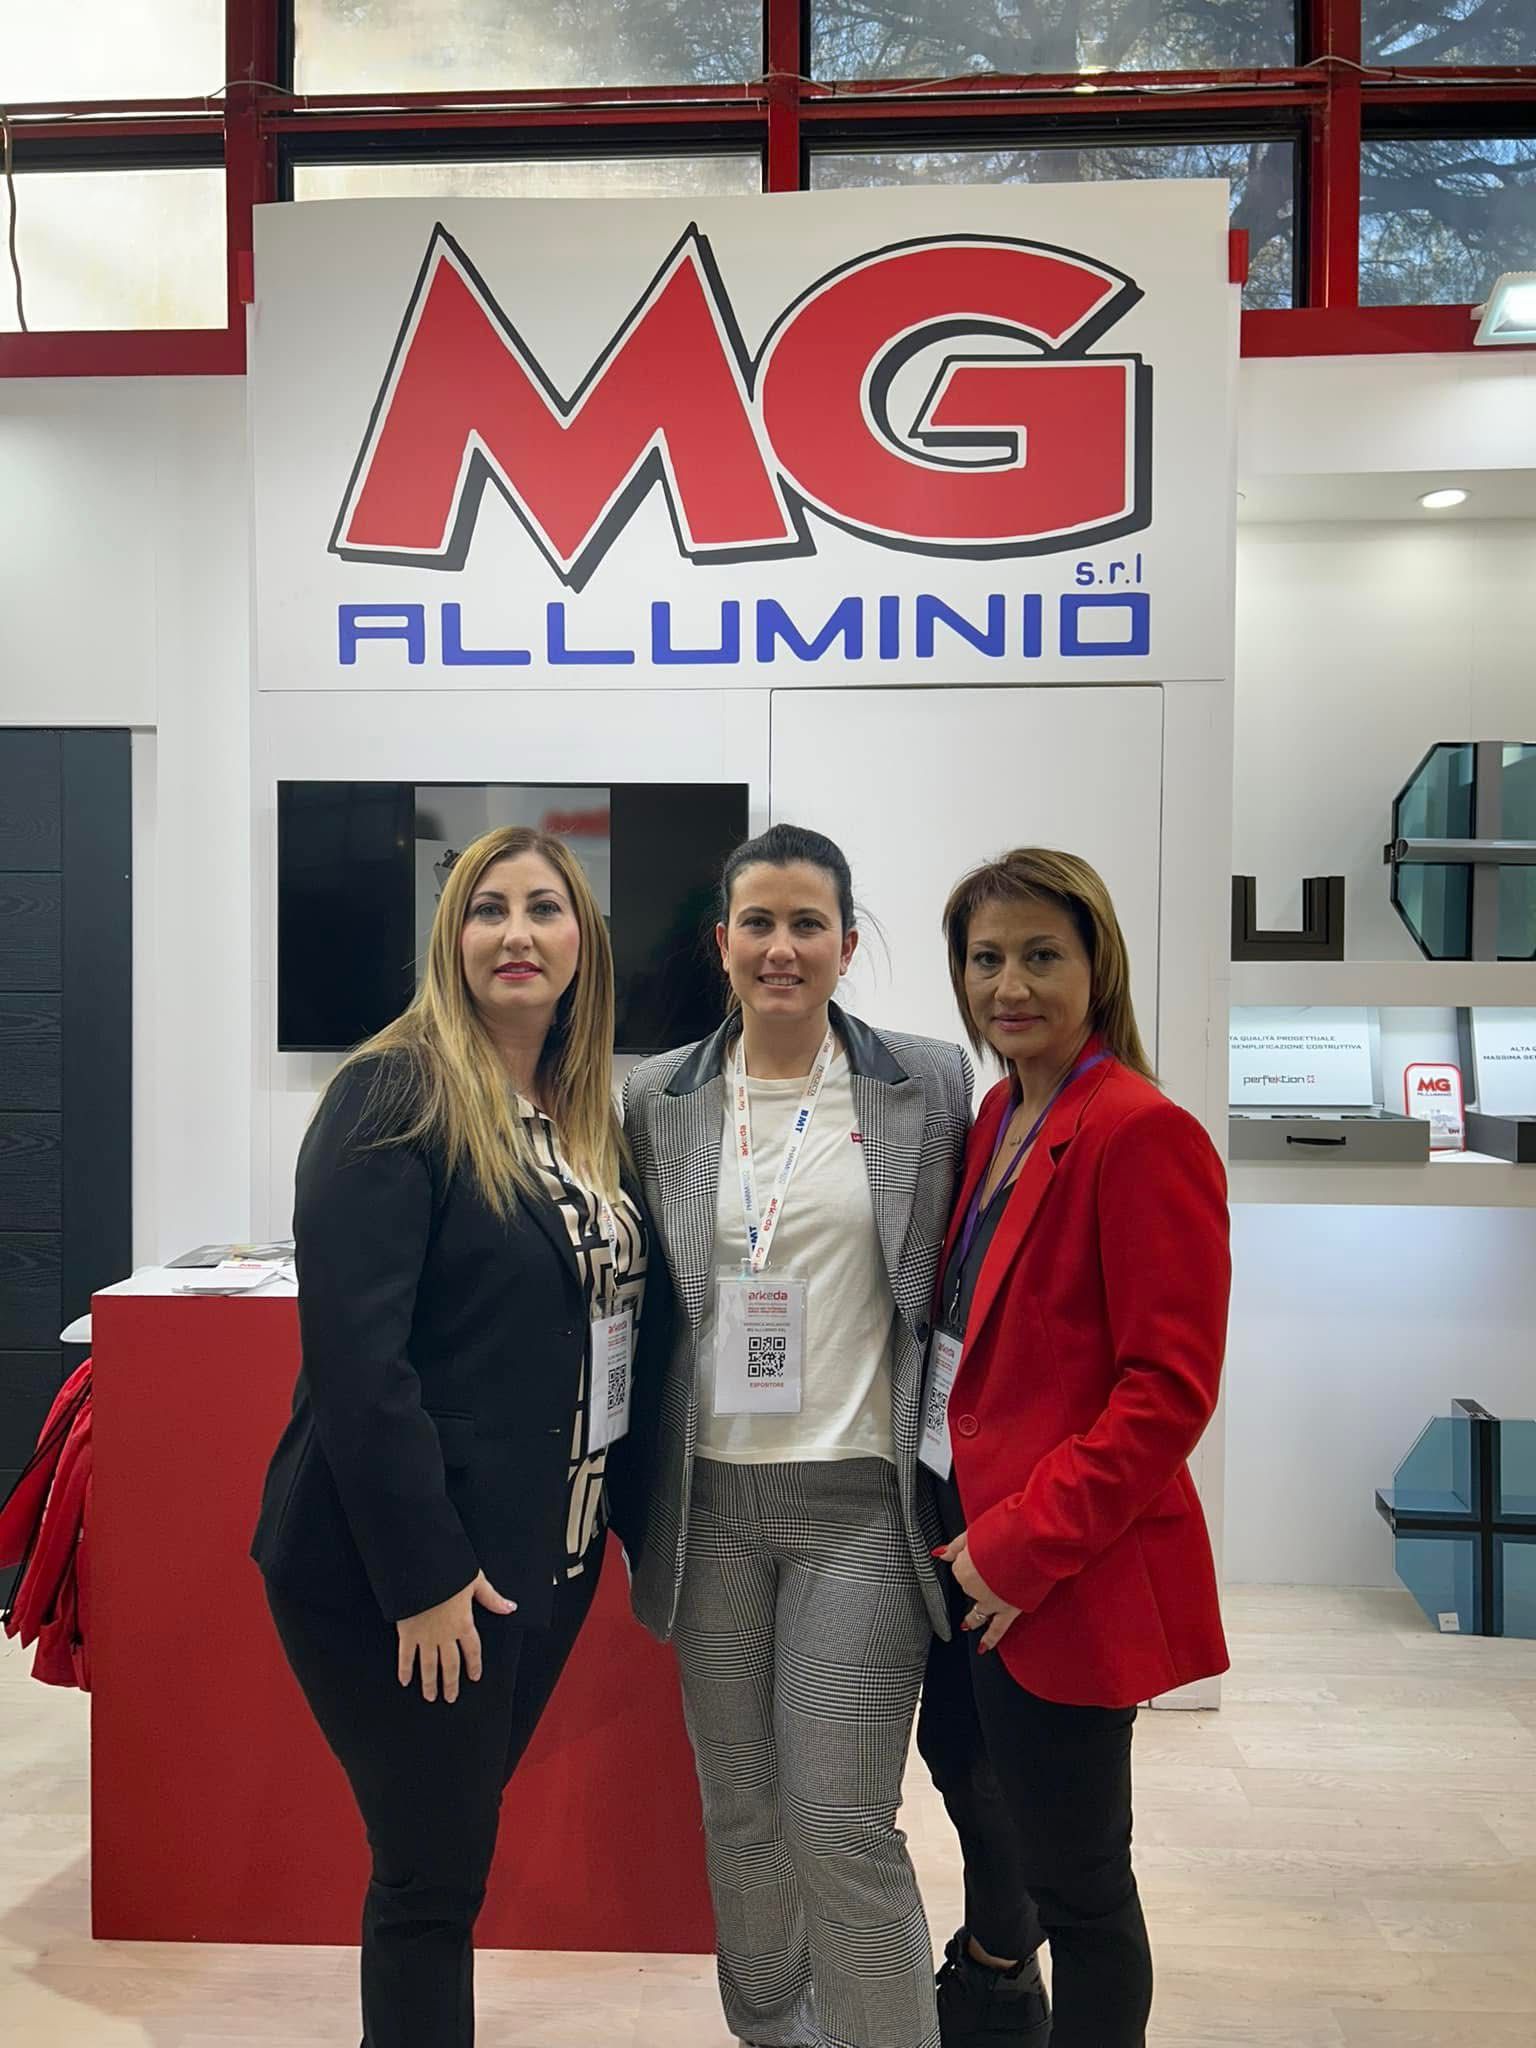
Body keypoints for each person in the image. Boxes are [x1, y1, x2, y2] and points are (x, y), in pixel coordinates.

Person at [251, 823, 655, 2048]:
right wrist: (423, 1577)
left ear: (583, 941)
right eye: (489, 908)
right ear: (451, 936)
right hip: (416, 1575)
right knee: (431, 1880)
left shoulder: (581, 1113)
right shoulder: (396, 1089)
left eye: (545, 907)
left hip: (541, 1560)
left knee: (448, 1851)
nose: (516, 932)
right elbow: (357, 1364)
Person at [617, 823, 971, 2048]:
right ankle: (776, 2032)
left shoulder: (928, 1085)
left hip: (859, 1512)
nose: (782, 947)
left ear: (847, 944)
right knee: (744, 1818)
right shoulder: (655, 1097)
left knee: (840, 1827)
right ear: (722, 942)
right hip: (709, 1513)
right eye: (758, 923)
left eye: (807, 923)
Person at [914, 847, 1231, 2048]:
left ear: (1098, 964)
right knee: (976, 1785)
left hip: (1055, 1561)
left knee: (1084, 1888)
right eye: (987, 957)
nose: (1010, 984)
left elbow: (1167, 1392)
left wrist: (1021, 1548)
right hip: (959, 1537)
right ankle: (997, 1987)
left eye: (1041, 954)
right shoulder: (1000, 1114)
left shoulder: (1142, 1130)